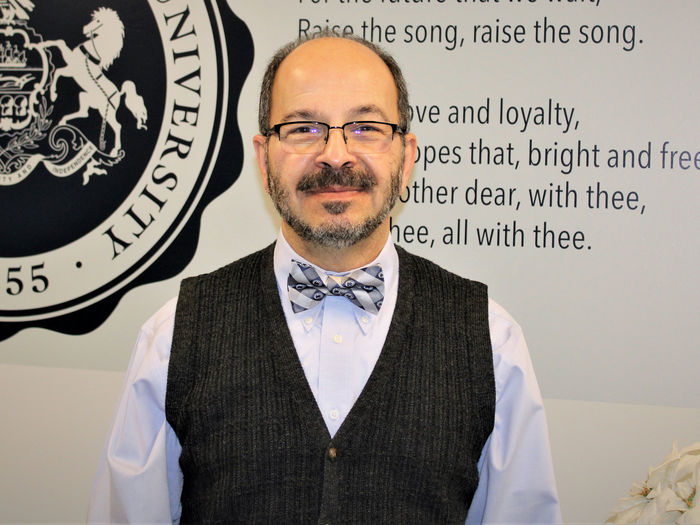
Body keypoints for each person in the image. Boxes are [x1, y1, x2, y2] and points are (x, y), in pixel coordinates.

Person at [88, 33, 561, 523]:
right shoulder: (173, 337)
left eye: (366, 127)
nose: (336, 155)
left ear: (406, 159)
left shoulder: (492, 343)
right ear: (264, 158)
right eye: (303, 129)